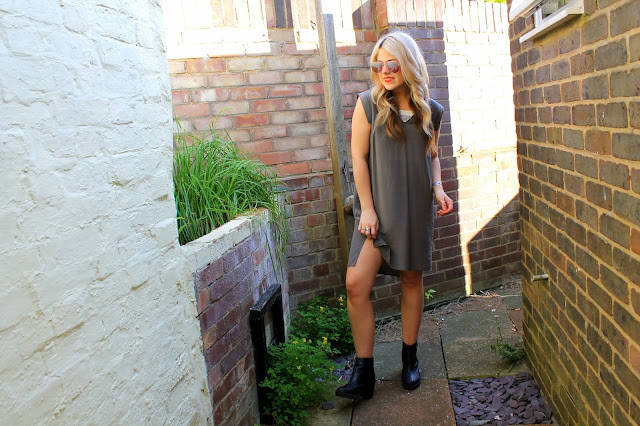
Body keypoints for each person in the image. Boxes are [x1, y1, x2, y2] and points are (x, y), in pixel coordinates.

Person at [335, 32, 454, 400]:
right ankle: (364, 372)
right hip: (376, 213)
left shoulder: (431, 110)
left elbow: (432, 156)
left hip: (415, 210)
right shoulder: (367, 105)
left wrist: (438, 187)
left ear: (409, 63)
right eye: (378, 64)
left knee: (411, 280)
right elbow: (358, 159)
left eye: (392, 63)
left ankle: (409, 357)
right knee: (355, 284)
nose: (384, 71)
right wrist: (367, 208)